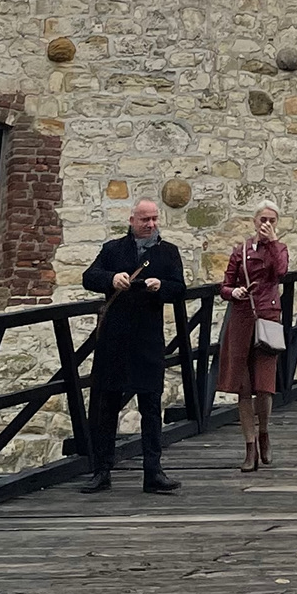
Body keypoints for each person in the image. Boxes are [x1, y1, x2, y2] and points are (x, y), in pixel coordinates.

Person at [81, 194, 186, 495]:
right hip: (115, 339)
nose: (151, 224)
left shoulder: (168, 253)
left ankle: (153, 472)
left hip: (148, 339)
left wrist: (160, 286)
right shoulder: (113, 249)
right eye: (145, 220)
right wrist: (112, 279)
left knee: (150, 407)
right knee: (107, 406)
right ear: (132, 221)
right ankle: (102, 471)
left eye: (154, 219)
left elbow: (179, 289)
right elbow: (90, 276)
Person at [218, 201, 288, 473]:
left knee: (264, 386)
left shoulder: (279, 249)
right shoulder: (241, 251)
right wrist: (232, 293)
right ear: (254, 220)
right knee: (243, 387)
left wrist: (272, 243)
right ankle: (249, 447)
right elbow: (225, 284)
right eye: (263, 219)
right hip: (242, 319)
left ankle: (264, 433)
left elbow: (280, 272)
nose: (266, 224)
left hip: (267, 319)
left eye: (272, 219)